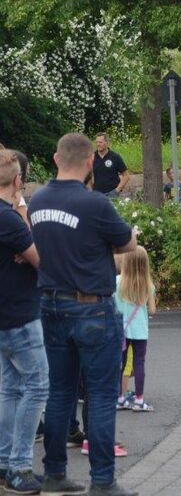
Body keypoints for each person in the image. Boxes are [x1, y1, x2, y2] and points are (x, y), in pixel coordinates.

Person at [29, 132, 138, 496]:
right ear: (91, 162)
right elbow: (127, 243)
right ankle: (103, 481)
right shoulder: (95, 205)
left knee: (59, 393)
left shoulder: (37, 201)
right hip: (92, 308)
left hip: (50, 305)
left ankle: (55, 473)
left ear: (56, 159)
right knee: (102, 394)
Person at [0, 149, 49, 495]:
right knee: (36, 386)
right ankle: (19, 466)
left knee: (10, 388)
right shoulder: (8, 218)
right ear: (18, 181)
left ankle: (4, 463)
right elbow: (41, 261)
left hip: (4, 315)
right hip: (19, 314)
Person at [113, 246, 157, 412]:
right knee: (139, 363)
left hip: (121, 330)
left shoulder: (117, 282)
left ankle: (120, 398)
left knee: (121, 364)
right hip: (139, 331)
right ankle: (139, 400)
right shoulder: (148, 285)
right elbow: (152, 310)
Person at [92, 133, 129, 198]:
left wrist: (117, 190)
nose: (98, 144)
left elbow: (126, 176)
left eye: (100, 142)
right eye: (96, 142)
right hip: (97, 195)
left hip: (112, 194)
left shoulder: (115, 157)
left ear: (107, 143)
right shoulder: (92, 157)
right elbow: (87, 176)